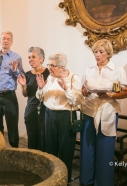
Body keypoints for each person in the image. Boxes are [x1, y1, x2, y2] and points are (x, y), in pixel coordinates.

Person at [80, 39, 127, 186]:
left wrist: (112, 95)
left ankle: (103, 182)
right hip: (90, 111)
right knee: (88, 148)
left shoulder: (116, 70)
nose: (97, 55)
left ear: (108, 53)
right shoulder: (89, 70)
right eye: (95, 51)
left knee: (105, 150)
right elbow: (83, 90)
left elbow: (126, 93)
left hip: (107, 113)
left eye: (101, 52)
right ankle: (86, 180)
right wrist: (84, 91)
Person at [36, 53, 83, 183]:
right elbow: (40, 97)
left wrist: (66, 88)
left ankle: (64, 181)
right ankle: (51, 179)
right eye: (49, 65)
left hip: (65, 117)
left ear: (62, 67)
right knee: (49, 149)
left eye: (53, 65)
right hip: (49, 115)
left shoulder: (74, 78)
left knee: (65, 151)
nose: (49, 68)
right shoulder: (50, 77)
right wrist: (40, 88)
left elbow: (77, 101)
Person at [0, 31, 24, 148]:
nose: (5, 40)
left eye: (8, 39)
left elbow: (22, 76)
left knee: (12, 126)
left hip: (9, 96)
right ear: (0, 41)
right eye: (3, 38)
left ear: (11, 42)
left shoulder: (16, 57)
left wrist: (15, 70)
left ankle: (15, 152)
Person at [17, 47, 49, 151]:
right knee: (32, 139)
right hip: (30, 110)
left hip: (44, 110)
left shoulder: (48, 73)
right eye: (29, 57)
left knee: (43, 139)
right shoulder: (27, 74)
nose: (31, 59)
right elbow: (25, 94)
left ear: (42, 58)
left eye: (33, 57)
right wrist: (23, 85)